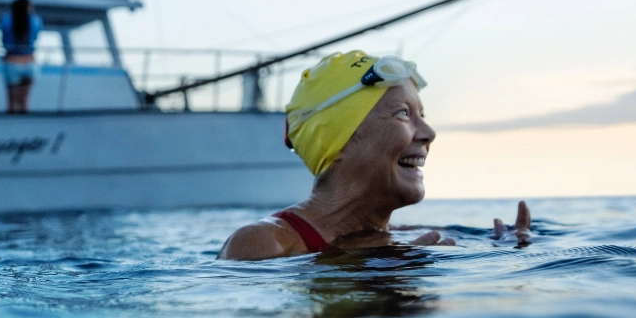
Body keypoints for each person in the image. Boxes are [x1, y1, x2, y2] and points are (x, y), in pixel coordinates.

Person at [219, 51, 532, 260]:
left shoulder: (405, 235)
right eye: (403, 113)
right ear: (337, 142)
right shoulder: (264, 244)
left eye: (422, 114)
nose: (428, 133)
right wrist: (380, 268)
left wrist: (508, 247)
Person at [0, 0, 42, 114]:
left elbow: (4, 40)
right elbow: (36, 37)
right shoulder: (36, 20)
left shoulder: (6, 20)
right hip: (30, 62)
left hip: (12, 62)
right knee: (24, 101)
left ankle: (11, 129)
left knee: (12, 102)